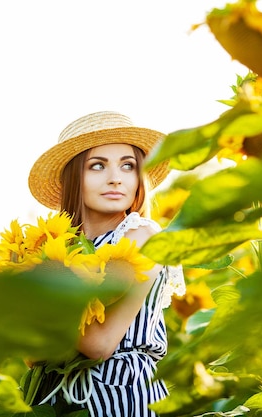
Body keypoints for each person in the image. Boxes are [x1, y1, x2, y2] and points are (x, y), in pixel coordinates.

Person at [27, 110, 185, 417]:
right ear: (73, 177)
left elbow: (100, 344)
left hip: (119, 396)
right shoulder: (59, 246)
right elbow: (34, 355)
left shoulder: (141, 237)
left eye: (128, 166)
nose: (116, 178)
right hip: (56, 398)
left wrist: (45, 289)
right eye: (97, 166)